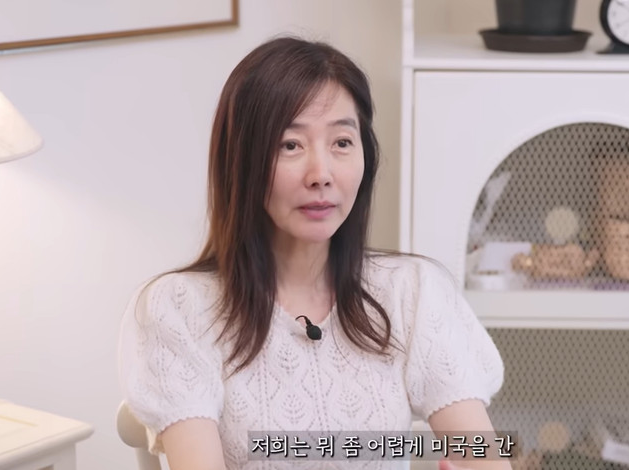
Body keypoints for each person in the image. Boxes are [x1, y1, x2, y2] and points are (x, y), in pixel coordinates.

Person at [117, 36, 508, 470]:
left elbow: (483, 456)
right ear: (241, 161)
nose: (321, 174)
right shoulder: (179, 309)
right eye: (290, 145)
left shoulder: (412, 292)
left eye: (342, 142)